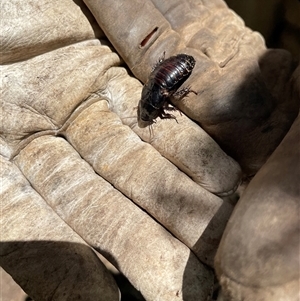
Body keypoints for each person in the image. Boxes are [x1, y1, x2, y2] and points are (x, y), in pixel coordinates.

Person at [1, 0, 299, 300]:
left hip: (179, 68)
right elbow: (161, 98)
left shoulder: (155, 97)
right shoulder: (154, 100)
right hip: (171, 72)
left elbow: (162, 96)